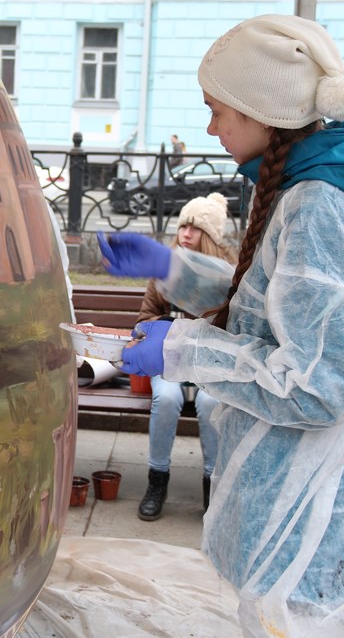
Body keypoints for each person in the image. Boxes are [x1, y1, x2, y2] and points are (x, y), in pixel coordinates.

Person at [98, 15, 344, 636]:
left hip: (313, 505)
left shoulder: (320, 204)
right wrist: (173, 270)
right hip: (297, 489)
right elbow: (275, 302)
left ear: (262, 111)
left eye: (216, 111)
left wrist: (185, 351)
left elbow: (319, 385)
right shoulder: (301, 185)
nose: (211, 128)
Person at [135, 192, 236, 521]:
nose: (186, 233)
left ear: (209, 236)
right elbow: (143, 320)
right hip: (169, 360)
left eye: (195, 228)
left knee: (210, 404)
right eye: (183, 226)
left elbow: (236, 328)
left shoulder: (227, 274)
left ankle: (212, 486)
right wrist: (168, 324)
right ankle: (157, 480)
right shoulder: (165, 268)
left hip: (209, 364)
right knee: (165, 398)